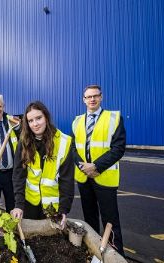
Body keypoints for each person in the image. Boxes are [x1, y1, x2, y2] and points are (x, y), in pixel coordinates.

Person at [71, 84, 126, 256]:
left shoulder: (114, 118)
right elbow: (73, 148)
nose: (92, 99)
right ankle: (94, 251)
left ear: (101, 97)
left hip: (104, 177)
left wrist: (96, 166)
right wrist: (84, 167)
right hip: (84, 178)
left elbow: (118, 148)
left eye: (95, 96)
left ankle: (116, 255)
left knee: (111, 220)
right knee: (90, 218)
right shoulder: (77, 120)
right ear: (84, 100)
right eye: (88, 97)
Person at [11, 101, 74, 228]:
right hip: (30, 204)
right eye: (30, 121)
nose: (35, 124)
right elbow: (18, 175)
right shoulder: (23, 143)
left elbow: (67, 180)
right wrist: (18, 205)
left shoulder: (63, 142)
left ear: (46, 117)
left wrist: (63, 209)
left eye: (38, 118)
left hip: (53, 208)